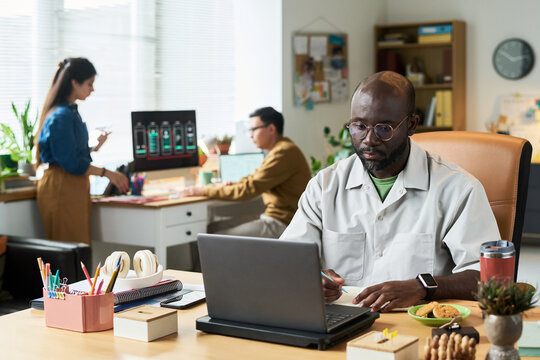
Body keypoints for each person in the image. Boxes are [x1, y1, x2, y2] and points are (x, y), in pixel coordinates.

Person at [280, 71, 500, 312]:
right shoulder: (324, 186)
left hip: (419, 327)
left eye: (384, 128)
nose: (369, 139)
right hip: (342, 322)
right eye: (359, 126)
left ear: (412, 125)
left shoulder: (457, 189)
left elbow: (490, 277)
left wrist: (422, 286)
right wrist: (314, 277)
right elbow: (288, 260)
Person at [35, 57, 129, 245]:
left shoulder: (70, 112)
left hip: (73, 185)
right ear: (74, 82)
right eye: (89, 84)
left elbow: (69, 153)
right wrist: (107, 173)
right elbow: (71, 163)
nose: (92, 89)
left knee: (80, 246)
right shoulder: (62, 116)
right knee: (72, 249)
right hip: (63, 186)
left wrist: (95, 148)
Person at [181, 107, 311, 238]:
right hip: (276, 216)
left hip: (283, 222)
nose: (250, 135)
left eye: (254, 129)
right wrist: (232, 185)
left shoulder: (283, 152)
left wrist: (202, 191)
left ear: (271, 129)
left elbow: (249, 189)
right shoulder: (281, 149)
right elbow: (255, 178)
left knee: (212, 238)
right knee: (211, 228)